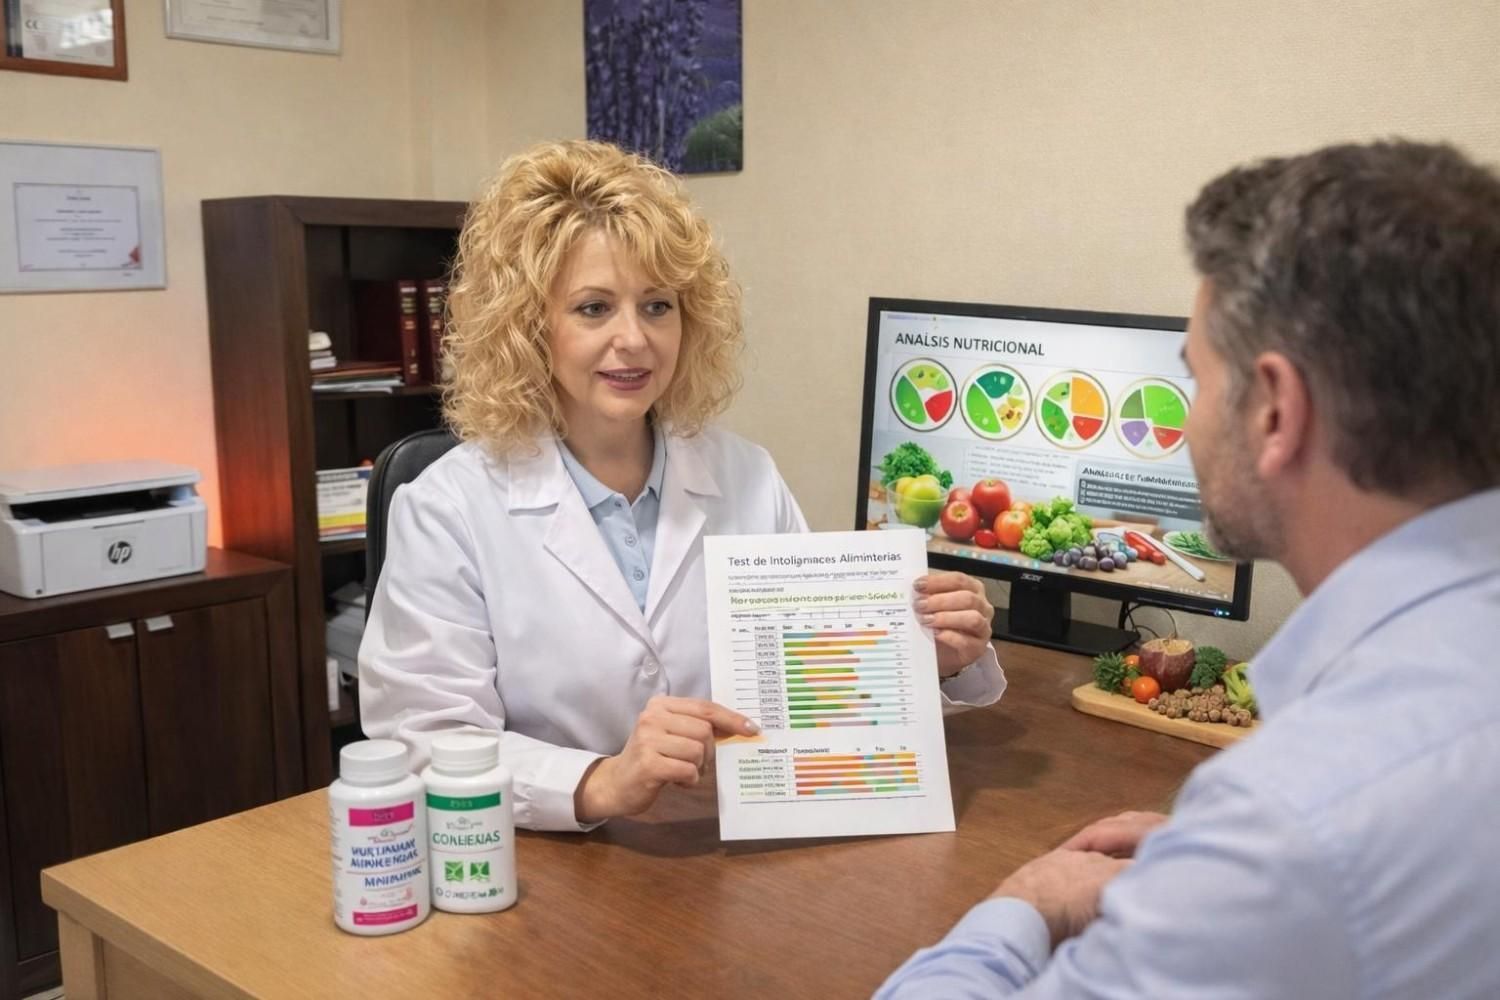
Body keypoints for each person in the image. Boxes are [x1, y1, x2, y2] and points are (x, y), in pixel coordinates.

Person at [877, 139, 1500, 997]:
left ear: (1276, 410)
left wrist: (1031, 901)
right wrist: (1205, 873)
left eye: (1196, 382)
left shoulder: (1292, 819)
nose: (1192, 426)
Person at [360, 140, 1006, 833]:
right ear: (526, 326)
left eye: (658, 305)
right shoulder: (447, 507)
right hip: (542, 870)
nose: (635, 340)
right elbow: (425, 741)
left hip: (717, 852)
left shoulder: (747, 476)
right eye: (593, 308)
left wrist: (927, 656)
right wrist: (601, 782)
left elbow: (819, 694)